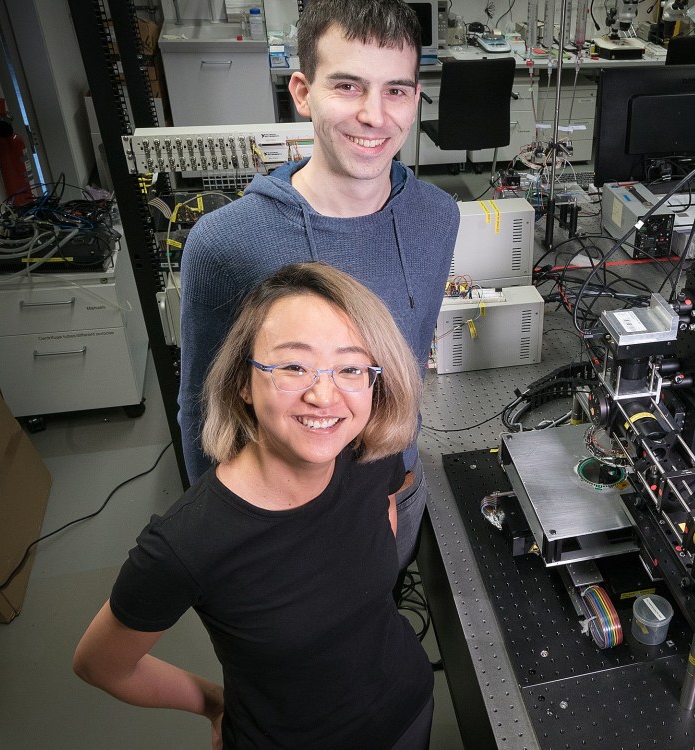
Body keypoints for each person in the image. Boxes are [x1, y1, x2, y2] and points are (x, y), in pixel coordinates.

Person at [74, 263, 433, 749]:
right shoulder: (186, 542)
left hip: (407, 711)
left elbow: (383, 520)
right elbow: (100, 663)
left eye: (350, 368)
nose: (323, 395)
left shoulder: (368, 459)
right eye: (292, 366)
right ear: (244, 382)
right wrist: (213, 702)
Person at [177, 0, 460, 571]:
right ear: (302, 92)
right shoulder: (227, 242)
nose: (374, 116)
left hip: (391, 498)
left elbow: (409, 368)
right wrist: (223, 540)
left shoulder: (438, 216)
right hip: (282, 526)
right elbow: (199, 408)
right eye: (349, 86)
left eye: (396, 90)